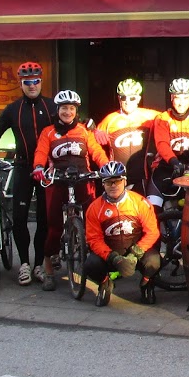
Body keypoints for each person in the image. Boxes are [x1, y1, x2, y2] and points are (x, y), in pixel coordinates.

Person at [0, 61, 56, 286]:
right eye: (27, 82)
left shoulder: (51, 106)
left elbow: (68, 127)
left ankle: (38, 265)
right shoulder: (13, 109)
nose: (32, 85)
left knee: (44, 219)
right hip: (23, 167)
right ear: (20, 84)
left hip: (46, 170)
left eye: (36, 81)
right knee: (20, 218)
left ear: (41, 82)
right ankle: (24, 263)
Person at [33, 89, 111, 291]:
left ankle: (97, 266)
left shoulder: (84, 131)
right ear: (57, 110)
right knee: (54, 228)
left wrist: (106, 166)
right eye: (64, 108)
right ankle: (49, 271)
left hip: (82, 179)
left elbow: (96, 151)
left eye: (71, 108)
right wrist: (39, 167)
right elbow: (41, 151)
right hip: (58, 180)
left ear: (77, 111)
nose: (67, 112)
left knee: (92, 224)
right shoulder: (48, 132)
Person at [82, 160, 163, 305]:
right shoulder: (94, 208)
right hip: (110, 254)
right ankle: (105, 283)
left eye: (117, 181)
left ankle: (146, 284)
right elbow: (94, 239)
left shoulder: (140, 202)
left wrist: (135, 253)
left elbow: (152, 232)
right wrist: (112, 257)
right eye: (109, 182)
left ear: (125, 181)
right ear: (103, 184)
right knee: (90, 264)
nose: (113, 186)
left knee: (154, 261)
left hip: (136, 252)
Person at [95, 78, 160, 194]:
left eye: (132, 98)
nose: (127, 101)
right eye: (123, 97)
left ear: (138, 98)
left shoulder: (150, 116)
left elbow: (171, 119)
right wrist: (92, 128)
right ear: (119, 99)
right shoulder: (109, 120)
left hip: (141, 176)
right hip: (116, 176)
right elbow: (90, 141)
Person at [147, 77, 189, 209]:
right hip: (165, 168)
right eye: (178, 98)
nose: (181, 103)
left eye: (185, 98)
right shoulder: (163, 118)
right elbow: (162, 144)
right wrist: (174, 162)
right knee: (152, 208)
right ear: (172, 98)